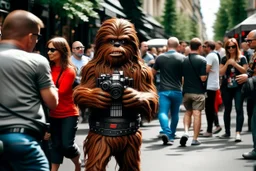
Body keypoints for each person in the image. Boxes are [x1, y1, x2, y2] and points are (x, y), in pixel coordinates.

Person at [73, 18, 158, 171]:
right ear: (100, 45)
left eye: (123, 42)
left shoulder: (140, 70)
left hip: (129, 131)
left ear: (133, 45)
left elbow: (152, 97)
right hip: (100, 131)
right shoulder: (93, 68)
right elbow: (79, 92)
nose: (117, 46)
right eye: (111, 41)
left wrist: (141, 98)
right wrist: (91, 95)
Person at [0, 10, 58, 171]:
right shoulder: (36, 61)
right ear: (29, 36)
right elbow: (52, 102)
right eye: (37, 37)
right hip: (22, 140)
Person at [46, 37, 81, 171]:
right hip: (52, 114)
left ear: (61, 51)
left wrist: (43, 89)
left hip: (68, 114)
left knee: (67, 146)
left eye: (52, 50)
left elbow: (60, 92)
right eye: (48, 49)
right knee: (55, 145)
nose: (49, 52)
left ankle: (78, 163)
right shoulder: (47, 68)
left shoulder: (70, 71)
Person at [152, 37, 185, 145]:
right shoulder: (182, 58)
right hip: (177, 90)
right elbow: (185, 76)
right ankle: (171, 136)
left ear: (167, 45)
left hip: (164, 90)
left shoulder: (160, 58)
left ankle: (166, 132)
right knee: (175, 114)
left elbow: (152, 72)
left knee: (163, 112)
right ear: (178, 45)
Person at [219, 38, 248, 142]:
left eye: (233, 46)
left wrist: (235, 64)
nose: (231, 49)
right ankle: (227, 132)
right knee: (227, 109)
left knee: (239, 108)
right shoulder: (223, 58)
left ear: (236, 46)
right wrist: (227, 63)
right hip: (226, 87)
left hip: (239, 86)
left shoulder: (242, 58)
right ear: (226, 48)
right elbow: (220, 73)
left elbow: (245, 70)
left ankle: (238, 133)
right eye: (228, 47)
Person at [180, 38, 207, 146]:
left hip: (186, 91)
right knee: (197, 114)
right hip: (198, 92)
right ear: (200, 47)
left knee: (188, 112)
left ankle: (186, 132)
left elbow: (182, 78)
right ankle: (195, 139)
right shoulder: (202, 60)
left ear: (190, 47)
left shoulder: (184, 60)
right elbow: (203, 78)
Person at [239, 29, 256, 159]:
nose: (247, 43)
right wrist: (247, 75)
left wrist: (249, 79)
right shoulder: (254, 53)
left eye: (249, 40)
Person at [200, 41, 220, 137]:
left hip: (210, 85)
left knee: (209, 108)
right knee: (210, 107)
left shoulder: (210, 56)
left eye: (204, 46)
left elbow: (206, 69)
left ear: (208, 47)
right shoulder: (213, 55)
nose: (203, 48)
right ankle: (213, 127)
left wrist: (203, 69)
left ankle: (209, 130)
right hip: (212, 84)